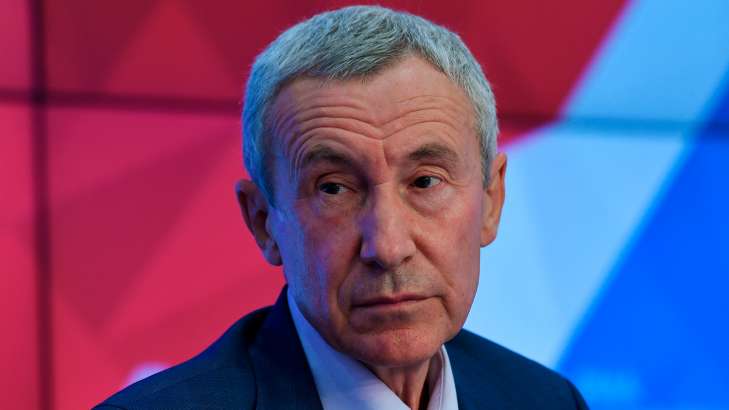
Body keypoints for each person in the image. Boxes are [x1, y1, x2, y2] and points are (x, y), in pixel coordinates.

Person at [96, 5, 588, 410]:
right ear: (263, 222)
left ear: (491, 200)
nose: (388, 247)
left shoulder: (546, 401)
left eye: (425, 181)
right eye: (334, 188)